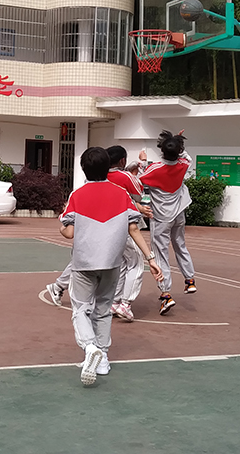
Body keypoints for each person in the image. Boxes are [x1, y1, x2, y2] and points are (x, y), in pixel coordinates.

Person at [60, 147, 163, 386]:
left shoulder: (77, 195)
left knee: (80, 309)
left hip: (84, 262)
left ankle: (90, 347)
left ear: (83, 169)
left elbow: (69, 232)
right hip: (112, 263)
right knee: (104, 309)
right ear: (108, 167)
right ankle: (103, 358)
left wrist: (61, 228)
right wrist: (150, 258)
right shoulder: (121, 194)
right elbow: (133, 228)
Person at [138, 130, 197, 315]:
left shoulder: (154, 169)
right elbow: (187, 157)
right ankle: (189, 280)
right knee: (180, 245)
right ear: (178, 151)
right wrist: (177, 144)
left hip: (161, 217)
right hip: (179, 214)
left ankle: (166, 294)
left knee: (160, 255)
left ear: (161, 150)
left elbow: (139, 179)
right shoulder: (183, 164)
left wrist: (142, 161)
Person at [106, 145, 154, 322]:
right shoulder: (125, 176)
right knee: (136, 263)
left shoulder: (98, 176)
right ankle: (125, 304)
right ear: (122, 160)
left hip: (105, 223)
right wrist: (140, 166)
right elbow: (139, 193)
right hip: (124, 223)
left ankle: (115, 301)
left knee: (121, 264)